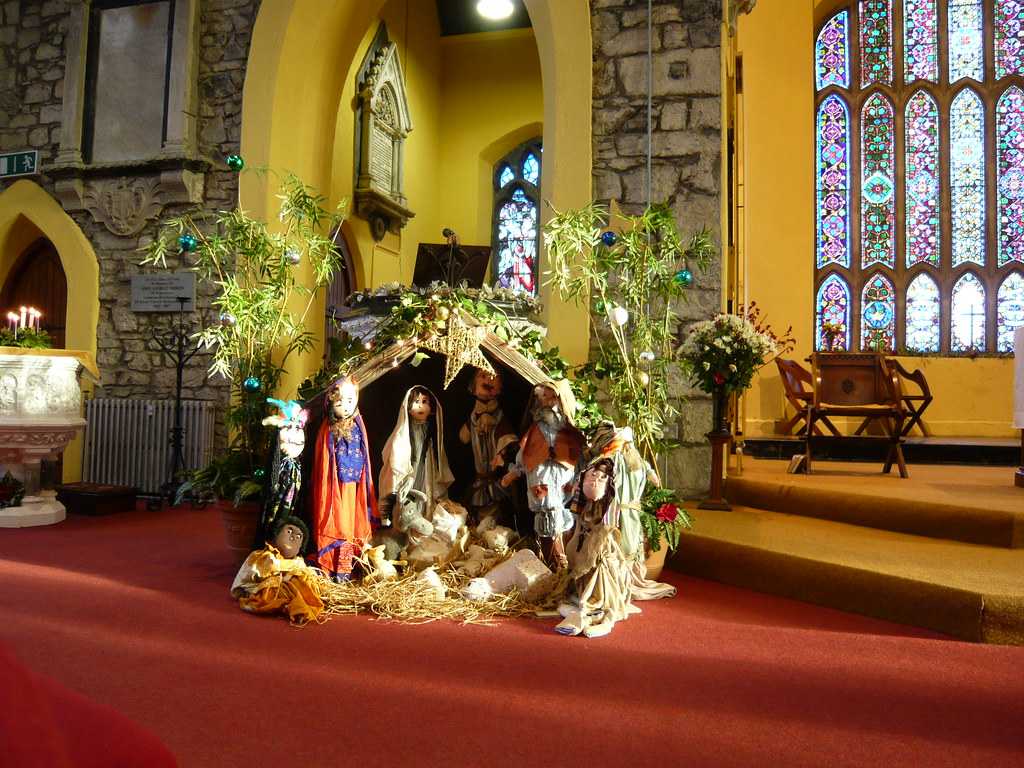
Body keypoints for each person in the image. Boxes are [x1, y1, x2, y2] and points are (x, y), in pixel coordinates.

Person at [501, 379, 584, 567]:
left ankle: (565, 560)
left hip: (563, 477)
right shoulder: (535, 429)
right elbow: (526, 450)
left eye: (553, 397)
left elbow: (578, 454)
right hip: (541, 476)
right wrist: (515, 471)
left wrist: (581, 475)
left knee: (564, 518)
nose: (548, 402)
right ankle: (550, 562)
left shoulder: (569, 431)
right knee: (545, 517)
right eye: (544, 397)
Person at [557, 457, 637, 637]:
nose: (595, 480)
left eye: (601, 478)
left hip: (602, 555)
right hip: (584, 546)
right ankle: (582, 605)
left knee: (602, 572)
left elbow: (605, 531)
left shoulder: (605, 510)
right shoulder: (585, 509)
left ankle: (599, 611)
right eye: (592, 476)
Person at [310, 376, 380, 581]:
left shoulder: (359, 423)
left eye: (350, 400)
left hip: (354, 486)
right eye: (340, 402)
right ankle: (335, 568)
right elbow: (324, 461)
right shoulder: (328, 428)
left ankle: (347, 568)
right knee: (339, 525)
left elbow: (365, 453)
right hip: (335, 486)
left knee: (351, 525)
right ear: (331, 404)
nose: (346, 407)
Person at [377, 385, 454, 551]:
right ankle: (407, 537)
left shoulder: (429, 427)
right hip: (410, 470)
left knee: (425, 496)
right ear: (407, 407)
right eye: (416, 402)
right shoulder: (406, 429)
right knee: (410, 499)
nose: (420, 406)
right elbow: (403, 450)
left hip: (425, 469)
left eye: (424, 402)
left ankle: (423, 531)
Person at [231, 517, 325, 626]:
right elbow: (258, 572)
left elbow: (304, 573)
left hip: (286, 585)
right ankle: (289, 605)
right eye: (289, 532)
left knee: (301, 581)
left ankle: (299, 607)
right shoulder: (262, 556)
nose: (292, 538)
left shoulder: (298, 561)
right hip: (261, 587)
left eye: (298, 537)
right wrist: (285, 569)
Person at [458, 367, 518, 521]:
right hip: (479, 476)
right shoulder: (473, 416)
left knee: (495, 503)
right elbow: (463, 437)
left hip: (494, 476)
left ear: (500, 388)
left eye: (493, 378)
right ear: (474, 384)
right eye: (483, 376)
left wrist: (501, 452)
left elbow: (507, 435)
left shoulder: (499, 416)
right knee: (478, 502)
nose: (487, 381)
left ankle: (493, 526)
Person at [253, 399, 308, 550]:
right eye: (288, 428)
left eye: (298, 428)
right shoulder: (280, 465)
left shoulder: (299, 465)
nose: (294, 436)